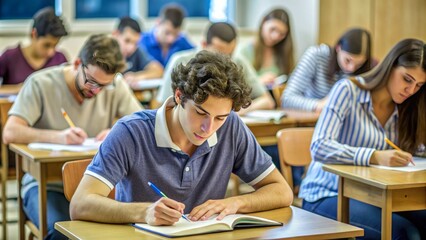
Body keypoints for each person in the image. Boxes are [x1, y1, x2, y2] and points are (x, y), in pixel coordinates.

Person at [69, 50, 293, 226]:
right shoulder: (131, 132)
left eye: (220, 117)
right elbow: (80, 205)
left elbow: (282, 191)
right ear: (179, 95)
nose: (209, 127)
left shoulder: (231, 127)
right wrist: (144, 212)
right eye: (201, 113)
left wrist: (235, 202)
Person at [2, 34, 143, 240]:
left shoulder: (115, 85)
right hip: (48, 187)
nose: (96, 91)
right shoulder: (41, 83)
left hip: (99, 190)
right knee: (61, 232)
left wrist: (117, 130)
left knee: (129, 230)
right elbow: (10, 132)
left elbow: (140, 126)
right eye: (91, 82)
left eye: (104, 86)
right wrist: (58, 137)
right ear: (77, 63)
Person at [299, 38, 426, 239]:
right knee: (404, 233)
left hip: (377, 196)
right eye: (407, 79)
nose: (410, 91)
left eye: (419, 85)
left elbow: (418, 151)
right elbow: (319, 146)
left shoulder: (408, 107)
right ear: (390, 66)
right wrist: (374, 156)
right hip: (327, 193)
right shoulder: (347, 90)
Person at [155, 22, 275, 115]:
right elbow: (164, 106)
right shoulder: (181, 61)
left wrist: (236, 112)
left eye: (230, 54)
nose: (225, 60)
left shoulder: (237, 62)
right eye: (218, 54)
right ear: (203, 44)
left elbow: (267, 101)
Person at [282, 28, 376, 112]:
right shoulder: (316, 55)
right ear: (338, 48)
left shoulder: (368, 67)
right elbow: (287, 98)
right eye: (347, 60)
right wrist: (318, 105)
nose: (351, 68)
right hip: (309, 121)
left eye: (359, 64)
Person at [0, 7, 68, 85]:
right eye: (46, 45)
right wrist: (20, 89)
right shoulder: (10, 57)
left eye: (55, 45)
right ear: (34, 34)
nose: (51, 52)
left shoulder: (60, 59)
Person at [235, 8, 294, 88]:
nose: (275, 36)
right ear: (263, 22)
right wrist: (258, 81)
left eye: (282, 33)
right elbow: (235, 86)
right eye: (272, 29)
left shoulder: (283, 52)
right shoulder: (243, 51)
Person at [112, 16, 164, 85]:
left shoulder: (137, 51)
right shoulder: (104, 51)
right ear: (116, 34)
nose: (131, 48)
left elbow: (159, 70)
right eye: (127, 41)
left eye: (135, 43)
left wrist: (136, 76)